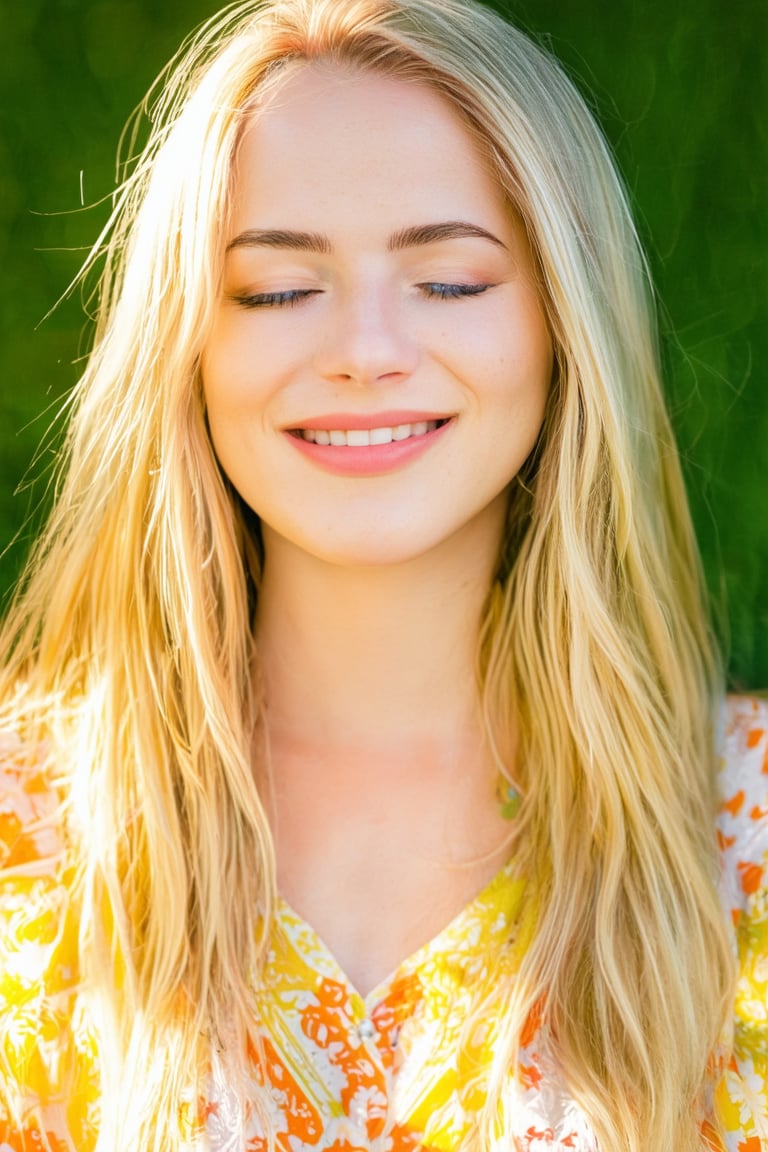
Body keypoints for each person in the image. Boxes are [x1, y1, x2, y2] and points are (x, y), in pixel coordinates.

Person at [0, 0, 765, 1148]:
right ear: (185, 343)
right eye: (273, 290)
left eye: (450, 281)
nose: (364, 351)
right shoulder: (26, 830)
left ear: (566, 323)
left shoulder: (744, 831)